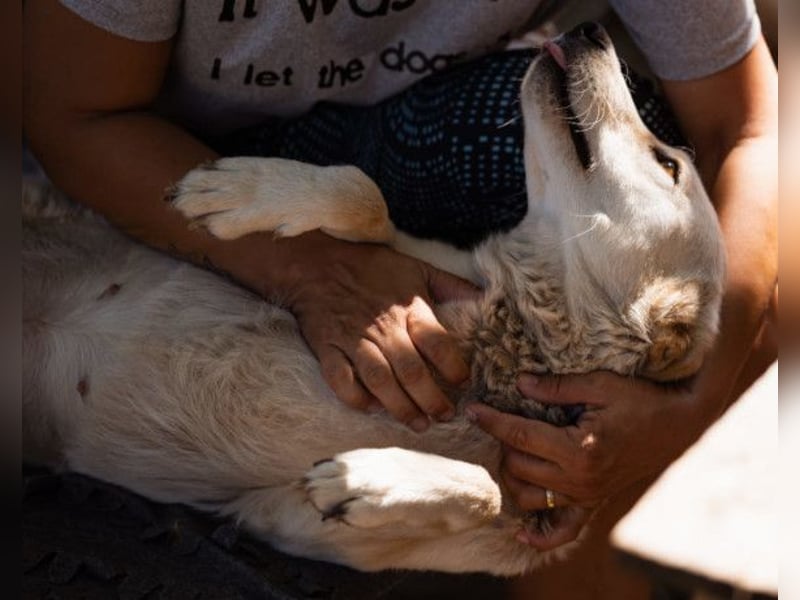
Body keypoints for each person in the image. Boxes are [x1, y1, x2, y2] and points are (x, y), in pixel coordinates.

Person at [24, 1, 777, 597]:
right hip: (139, 159)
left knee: (746, 235)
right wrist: (312, 266)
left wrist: (686, 411)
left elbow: (754, 128)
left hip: (57, 398)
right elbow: (67, 115)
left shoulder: (509, 507)